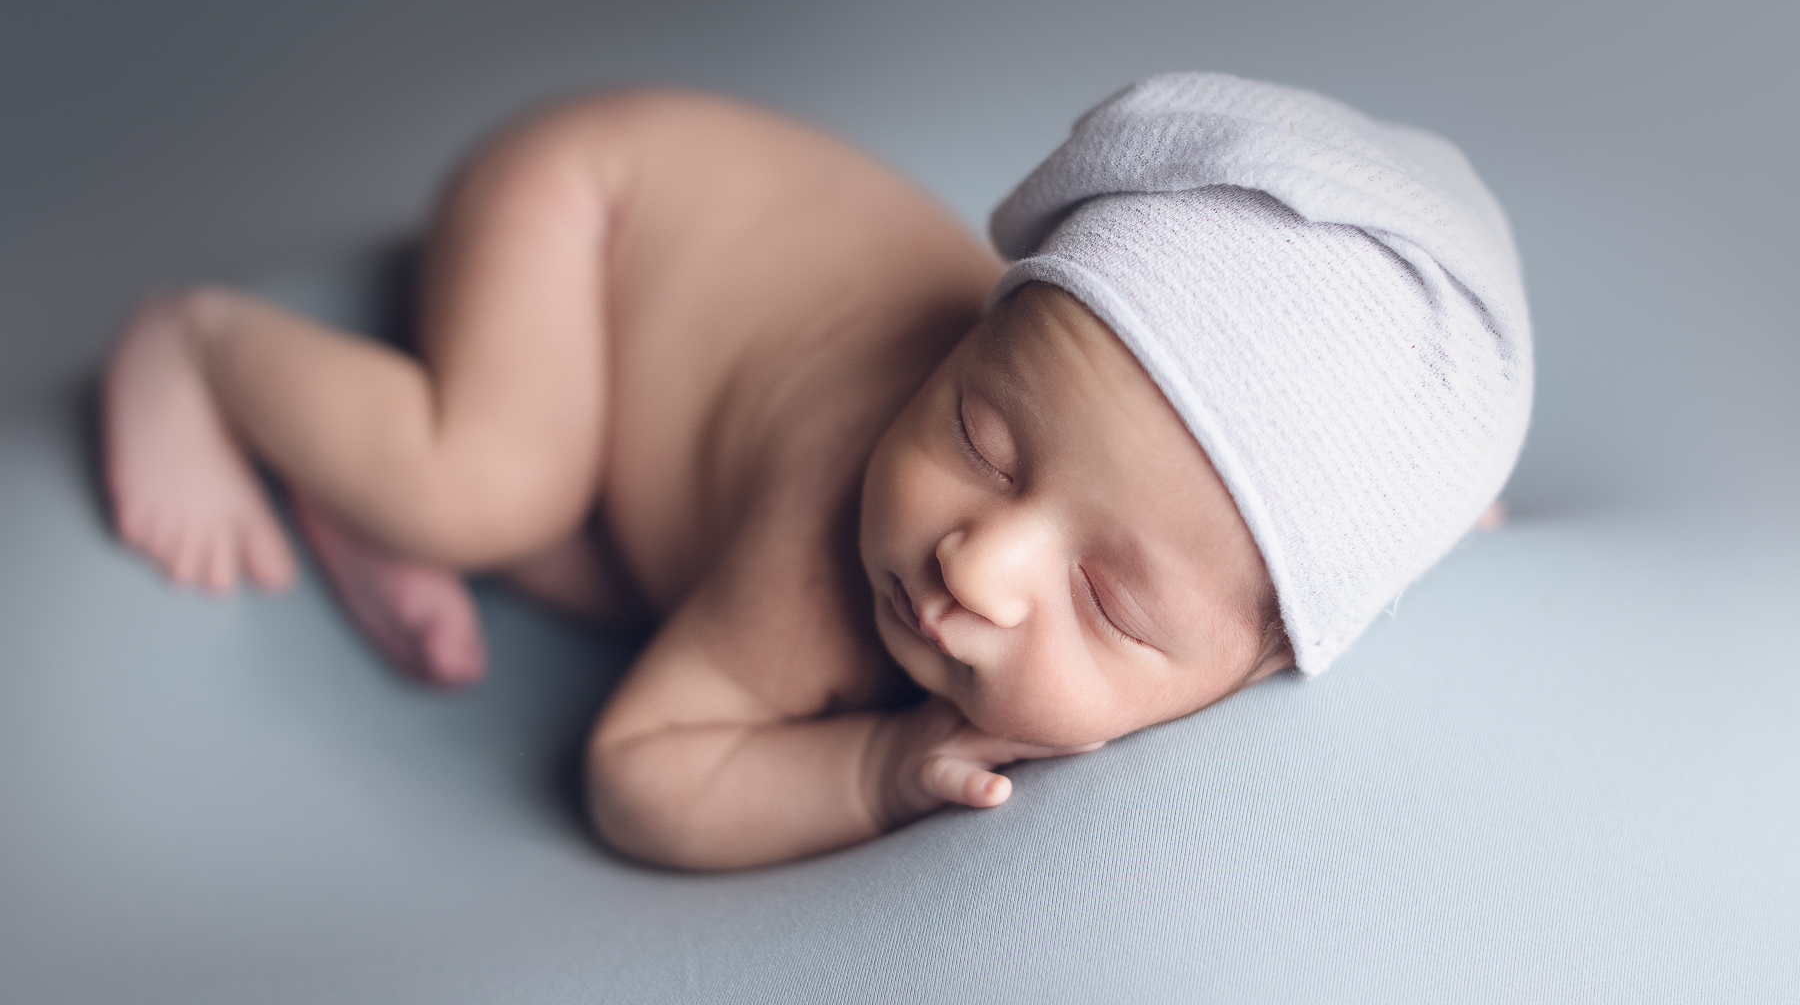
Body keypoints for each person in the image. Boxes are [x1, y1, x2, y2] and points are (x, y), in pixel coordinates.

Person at [103, 73, 1531, 870]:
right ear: (981, 333)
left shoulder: (1239, 550)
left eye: (1107, 600)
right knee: (506, 486)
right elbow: (634, 771)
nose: (977, 559)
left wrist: (1418, 511)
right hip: (600, 210)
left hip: (675, 373)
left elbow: (1301, 541)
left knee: (606, 559)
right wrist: (872, 764)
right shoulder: (816, 559)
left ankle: (364, 498)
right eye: (980, 434)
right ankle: (209, 348)